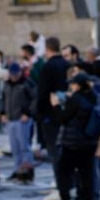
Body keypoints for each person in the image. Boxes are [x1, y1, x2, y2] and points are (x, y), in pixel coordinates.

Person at [50, 72, 100, 200]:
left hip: (73, 142)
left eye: (72, 84)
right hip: (90, 141)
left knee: (63, 171)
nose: (71, 86)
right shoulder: (94, 97)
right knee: (87, 174)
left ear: (77, 85)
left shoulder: (76, 99)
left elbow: (63, 118)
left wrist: (56, 106)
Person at [34, 37, 70, 165]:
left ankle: (61, 180)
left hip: (50, 113)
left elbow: (42, 91)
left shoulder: (48, 66)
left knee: (54, 148)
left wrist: (39, 113)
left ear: (47, 48)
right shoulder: (67, 64)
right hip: (66, 111)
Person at [3, 63, 36, 183]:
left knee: (24, 147)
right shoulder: (7, 84)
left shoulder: (26, 84)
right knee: (15, 148)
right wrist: (3, 113)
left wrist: (28, 113)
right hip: (10, 118)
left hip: (22, 119)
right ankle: (17, 170)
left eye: (16, 74)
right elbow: (4, 99)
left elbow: (34, 99)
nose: (14, 77)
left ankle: (27, 171)